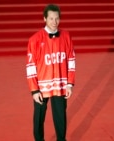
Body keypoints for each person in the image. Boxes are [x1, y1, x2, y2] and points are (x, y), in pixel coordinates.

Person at [26, 4, 75, 141]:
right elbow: (30, 66)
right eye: (51, 19)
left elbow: (71, 60)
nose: (54, 22)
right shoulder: (34, 39)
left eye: (57, 19)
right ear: (44, 19)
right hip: (41, 87)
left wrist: (70, 83)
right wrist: (34, 90)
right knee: (39, 118)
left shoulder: (66, 36)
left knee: (61, 117)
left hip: (60, 85)